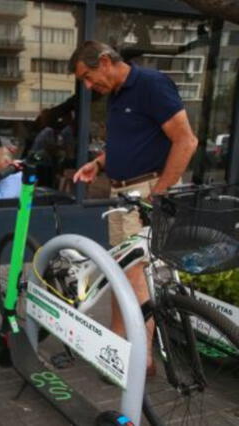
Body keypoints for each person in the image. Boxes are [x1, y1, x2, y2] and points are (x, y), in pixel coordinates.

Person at [70, 40, 198, 376]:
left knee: (135, 276)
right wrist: (98, 164)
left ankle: (140, 361)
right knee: (121, 274)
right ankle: (116, 346)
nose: (87, 86)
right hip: (124, 194)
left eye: (87, 76)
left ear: (104, 61)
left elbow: (186, 140)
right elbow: (132, 143)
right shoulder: (117, 95)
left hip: (146, 191)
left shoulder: (151, 85)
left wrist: (158, 193)